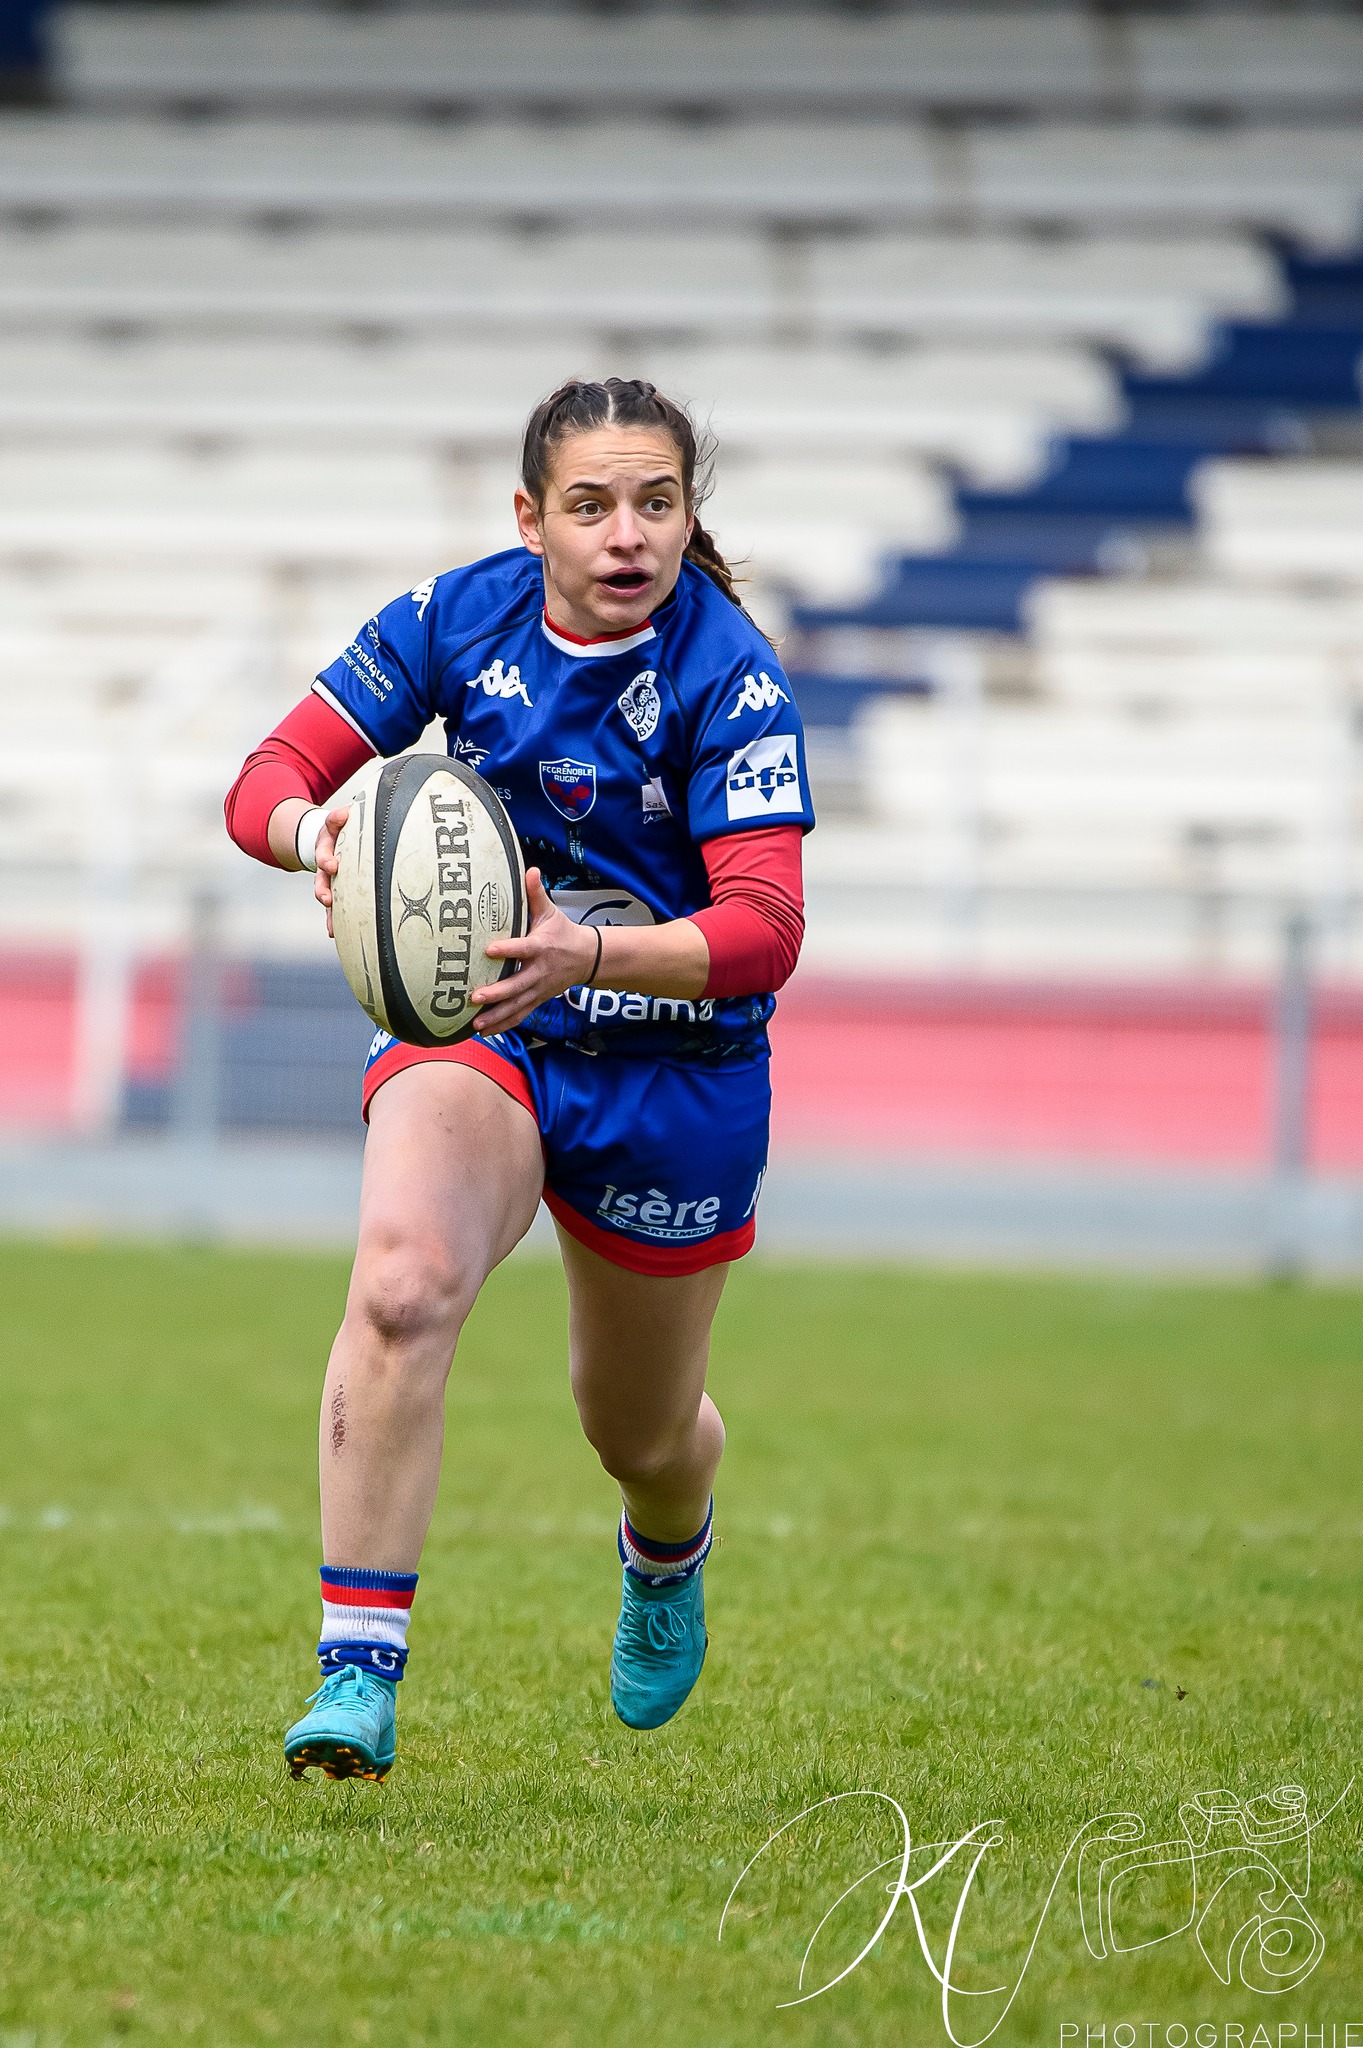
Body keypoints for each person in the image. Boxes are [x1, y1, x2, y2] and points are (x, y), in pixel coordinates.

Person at [224, 378, 813, 1781]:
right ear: (530, 518)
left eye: (657, 504)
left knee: (639, 1429)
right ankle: (356, 1674)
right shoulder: (455, 619)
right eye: (591, 506)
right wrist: (320, 835)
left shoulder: (731, 676)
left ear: (688, 516)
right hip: (488, 1023)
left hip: (675, 1068)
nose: (628, 535)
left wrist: (587, 953)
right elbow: (265, 781)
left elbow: (765, 931)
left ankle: (666, 1552)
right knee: (403, 1282)